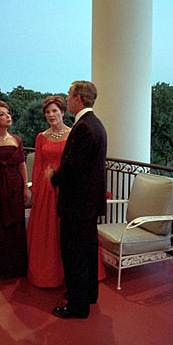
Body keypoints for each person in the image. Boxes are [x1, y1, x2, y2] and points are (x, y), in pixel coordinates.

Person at [48, 81, 107, 319]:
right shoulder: (95, 124)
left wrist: (54, 176)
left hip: (78, 205)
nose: (67, 98)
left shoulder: (83, 127)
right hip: (88, 204)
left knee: (75, 254)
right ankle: (89, 294)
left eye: (69, 95)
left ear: (78, 99)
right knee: (87, 251)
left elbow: (74, 166)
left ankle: (77, 305)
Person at [26, 96, 71, 288]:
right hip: (46, 189)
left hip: (65, 186)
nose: (51, 115)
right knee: (45, 230)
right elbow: (38, 165)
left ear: (62, 112)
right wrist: (35, 190)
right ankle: (45, 271)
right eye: (48, 112)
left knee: (66, 230)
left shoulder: (73, 134)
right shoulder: (41, 137)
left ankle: (67, 271)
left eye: (55, 111)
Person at [0, 100, 29, 280]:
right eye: (2, 114)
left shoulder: (17, 139)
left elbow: (22, 165)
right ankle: (2, 269)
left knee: (17, 226)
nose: (8, 116)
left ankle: (19, 268)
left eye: (8, 113)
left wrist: (25, 187)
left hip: (15, 186)